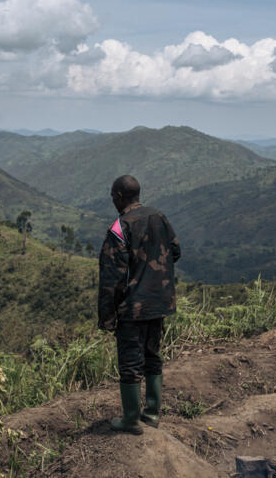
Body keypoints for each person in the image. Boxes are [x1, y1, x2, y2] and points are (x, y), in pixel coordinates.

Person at [98, 174, 181, 434]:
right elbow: (175, 251)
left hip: (133, 308)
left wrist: (108, 316)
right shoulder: (159, 217)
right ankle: (152, 413)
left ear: (120, 197)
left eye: (113, 196)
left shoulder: (120, 227)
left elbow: (111, 277)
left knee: (130, 363)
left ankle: (131, 420)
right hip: (159, 302)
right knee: (152, 356)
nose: (113, 200)